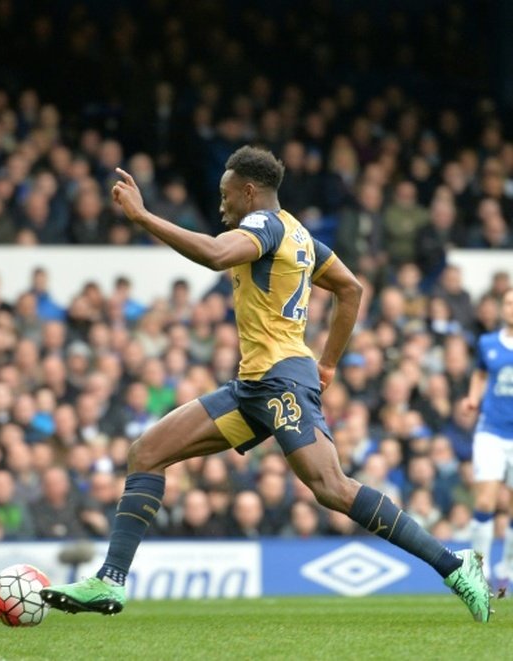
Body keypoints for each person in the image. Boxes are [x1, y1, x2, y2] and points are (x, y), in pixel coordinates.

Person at [40, 146, 490, 622]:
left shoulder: (263, 226)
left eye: (225, 194)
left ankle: (456, 565)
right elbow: (350, 289)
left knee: (332, 487)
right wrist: (329, 362)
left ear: (248, 191)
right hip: (254, 385)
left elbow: (216, 255)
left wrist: (144, 217)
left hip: (279, 382)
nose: (221, 205)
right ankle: (109, 580)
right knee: (146, 453)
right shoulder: (298, 233)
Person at [460, 288, 513, 588]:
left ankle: (508, 564)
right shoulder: (488, 343)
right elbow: (480, 374)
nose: (511, 308)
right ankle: (480, 568)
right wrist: (472, 397)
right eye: (507, 303)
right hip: (491, 430)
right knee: (485, 499)